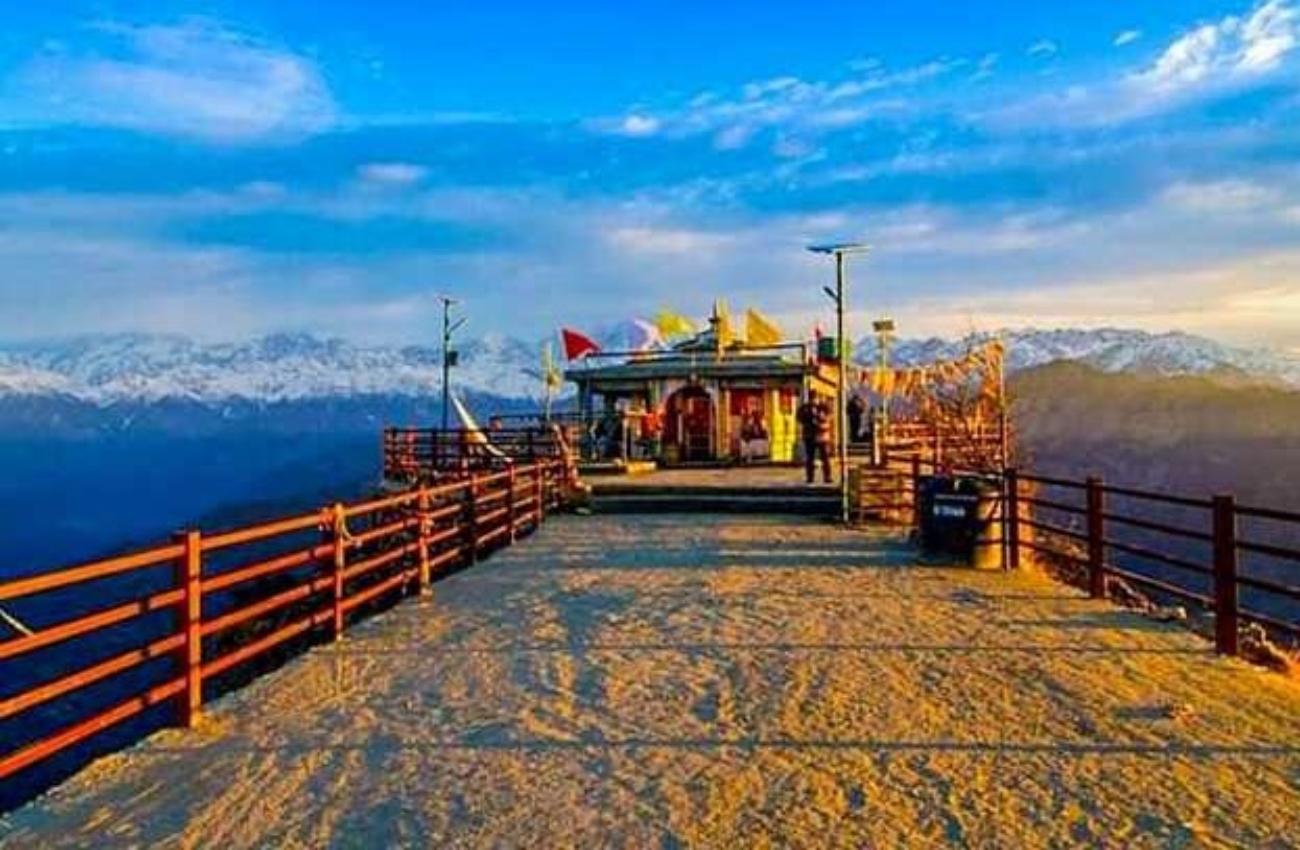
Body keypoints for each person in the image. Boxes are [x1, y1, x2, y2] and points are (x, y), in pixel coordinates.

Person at [796, 394, 832, 484]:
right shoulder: (805, 408)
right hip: (809, 435)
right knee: (810, 458)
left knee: (825, 457)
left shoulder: (823, 406)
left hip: (821, 435)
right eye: (812, 399)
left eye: (815, 398)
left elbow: (829, 417)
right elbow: (799, 417)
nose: (814, 400)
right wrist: (808, 419)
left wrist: (821, 419)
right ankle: (810, 478)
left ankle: (827, 476)